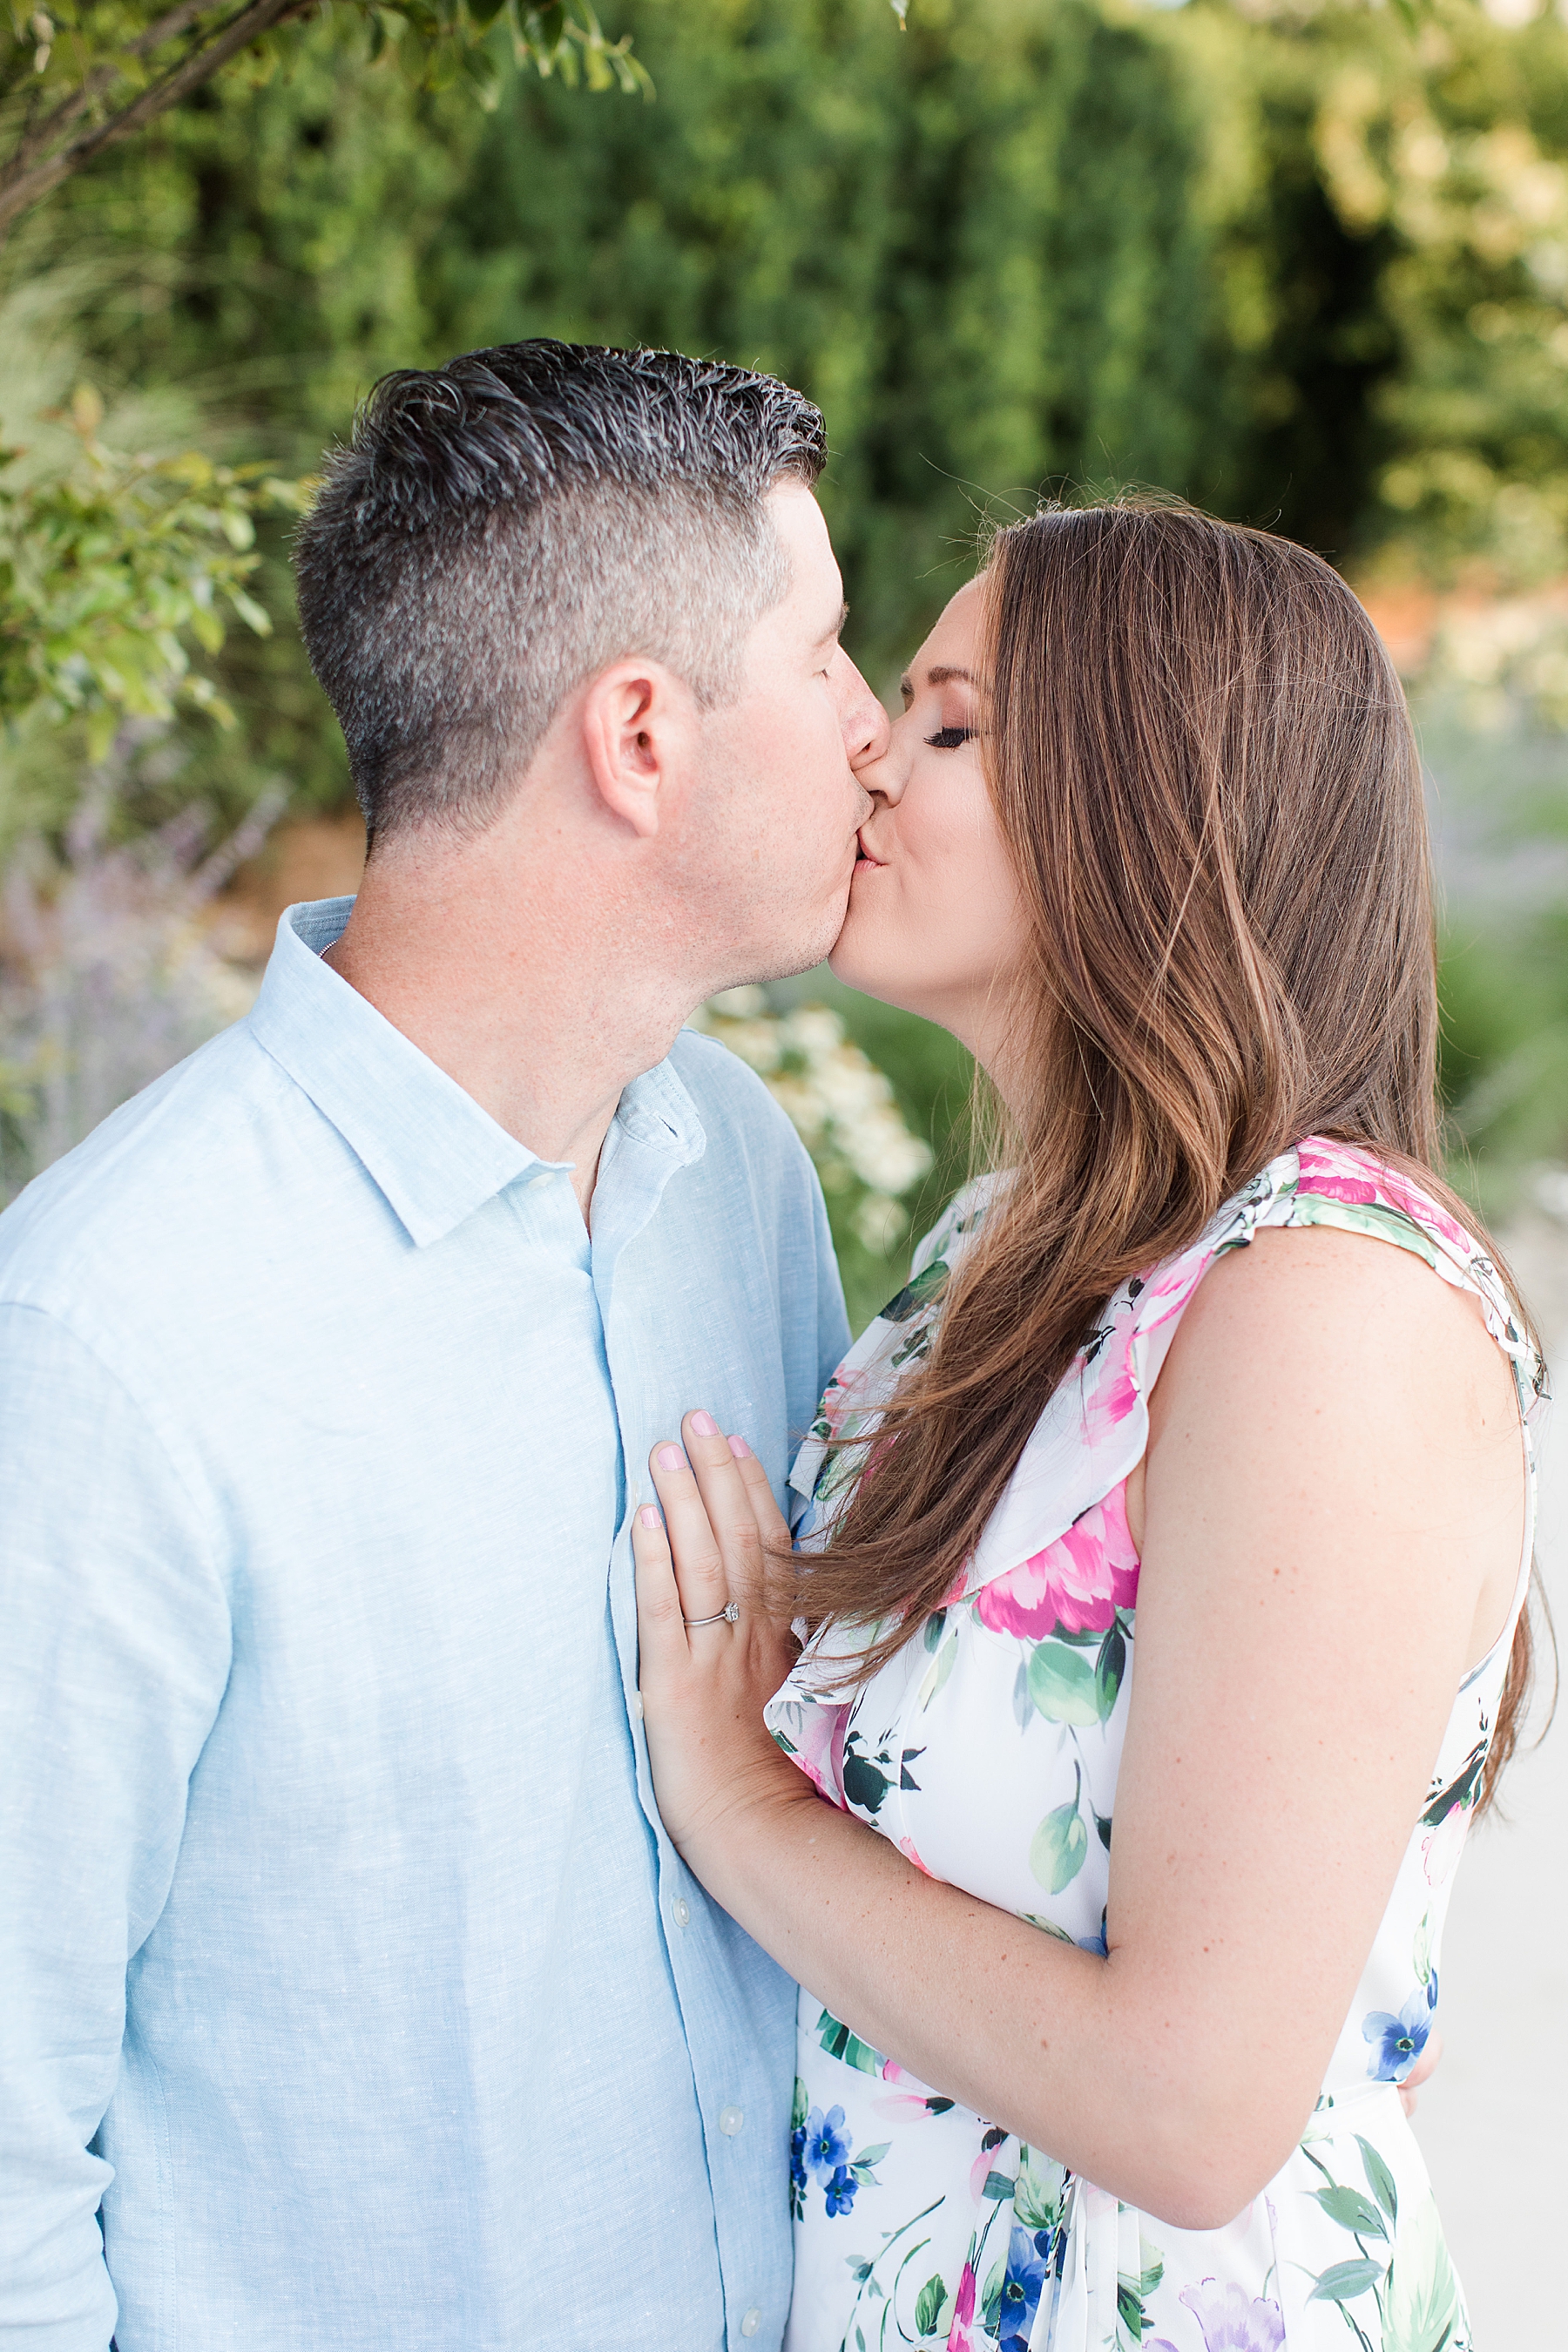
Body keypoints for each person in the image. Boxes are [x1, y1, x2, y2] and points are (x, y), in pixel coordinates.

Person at [0, 341, 889, 2351]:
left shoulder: (739, 1173)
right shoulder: (103, 1350)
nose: (867, 730)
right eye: (828, 654)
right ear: (640, 737)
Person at [632, 499, 1544, 2352]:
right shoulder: (1008, 1265)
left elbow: (1195, 2114)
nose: (874, 750)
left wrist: (735, 1804)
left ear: (1154, 809)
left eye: (954, 724)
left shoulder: (1326, 1312)